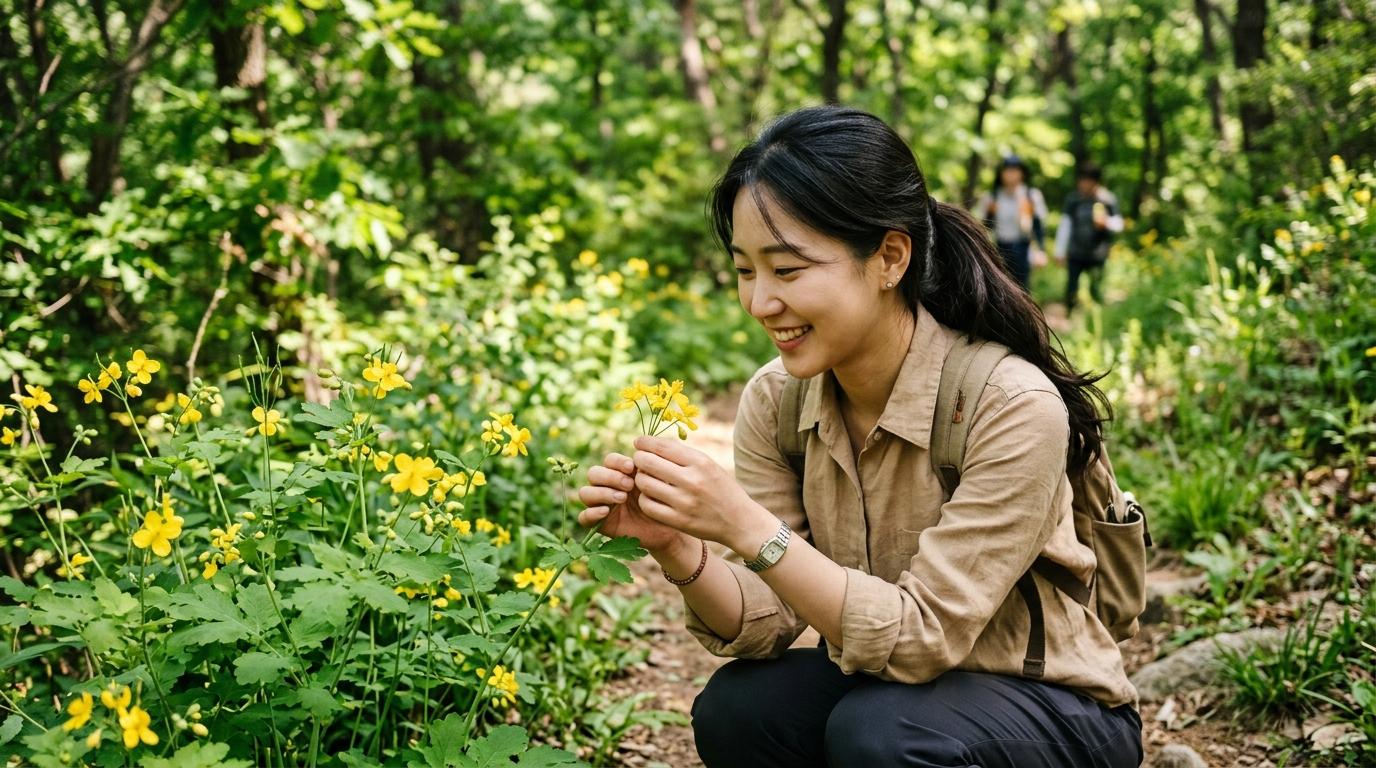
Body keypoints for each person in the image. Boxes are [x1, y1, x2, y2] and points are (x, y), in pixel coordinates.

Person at [577, 106, 1142, 767]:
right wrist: (676, 546)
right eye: (744, 271)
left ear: (890, 258)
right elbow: (765, 619)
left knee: (881, 734)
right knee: (738, 711)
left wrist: (746, 524)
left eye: (787, 270)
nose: (760, 303)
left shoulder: (1009, 404)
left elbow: (924, 635)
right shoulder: (778, 400)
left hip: (1054, 705)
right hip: (899, 694)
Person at [1055, 163, 1124, 312]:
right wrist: (1060, 251)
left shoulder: (1107, 199)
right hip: (1076, 252)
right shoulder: (1073, 199)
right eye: (1081, 180)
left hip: (1098, 253)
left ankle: (1096, 316)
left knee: (1096, 288)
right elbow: (1065, 225)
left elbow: (1119, 224)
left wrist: (1106, 222)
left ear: (1095, 182)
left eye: (1087, 181)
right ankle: (1071, 314)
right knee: (1071, 288)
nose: (1083, 184)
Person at [974, 154, 1049, 289]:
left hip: (1023, 247)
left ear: (1022, 173)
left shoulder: (1031, 195)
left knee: (1022, 287)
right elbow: (984, 226)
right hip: (999, 247)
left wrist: (1041, 250)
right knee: (1000, 287)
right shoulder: (992, 197)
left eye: (1015, 170)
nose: (1011, 174)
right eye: (1007, 170)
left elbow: (1038, 226)